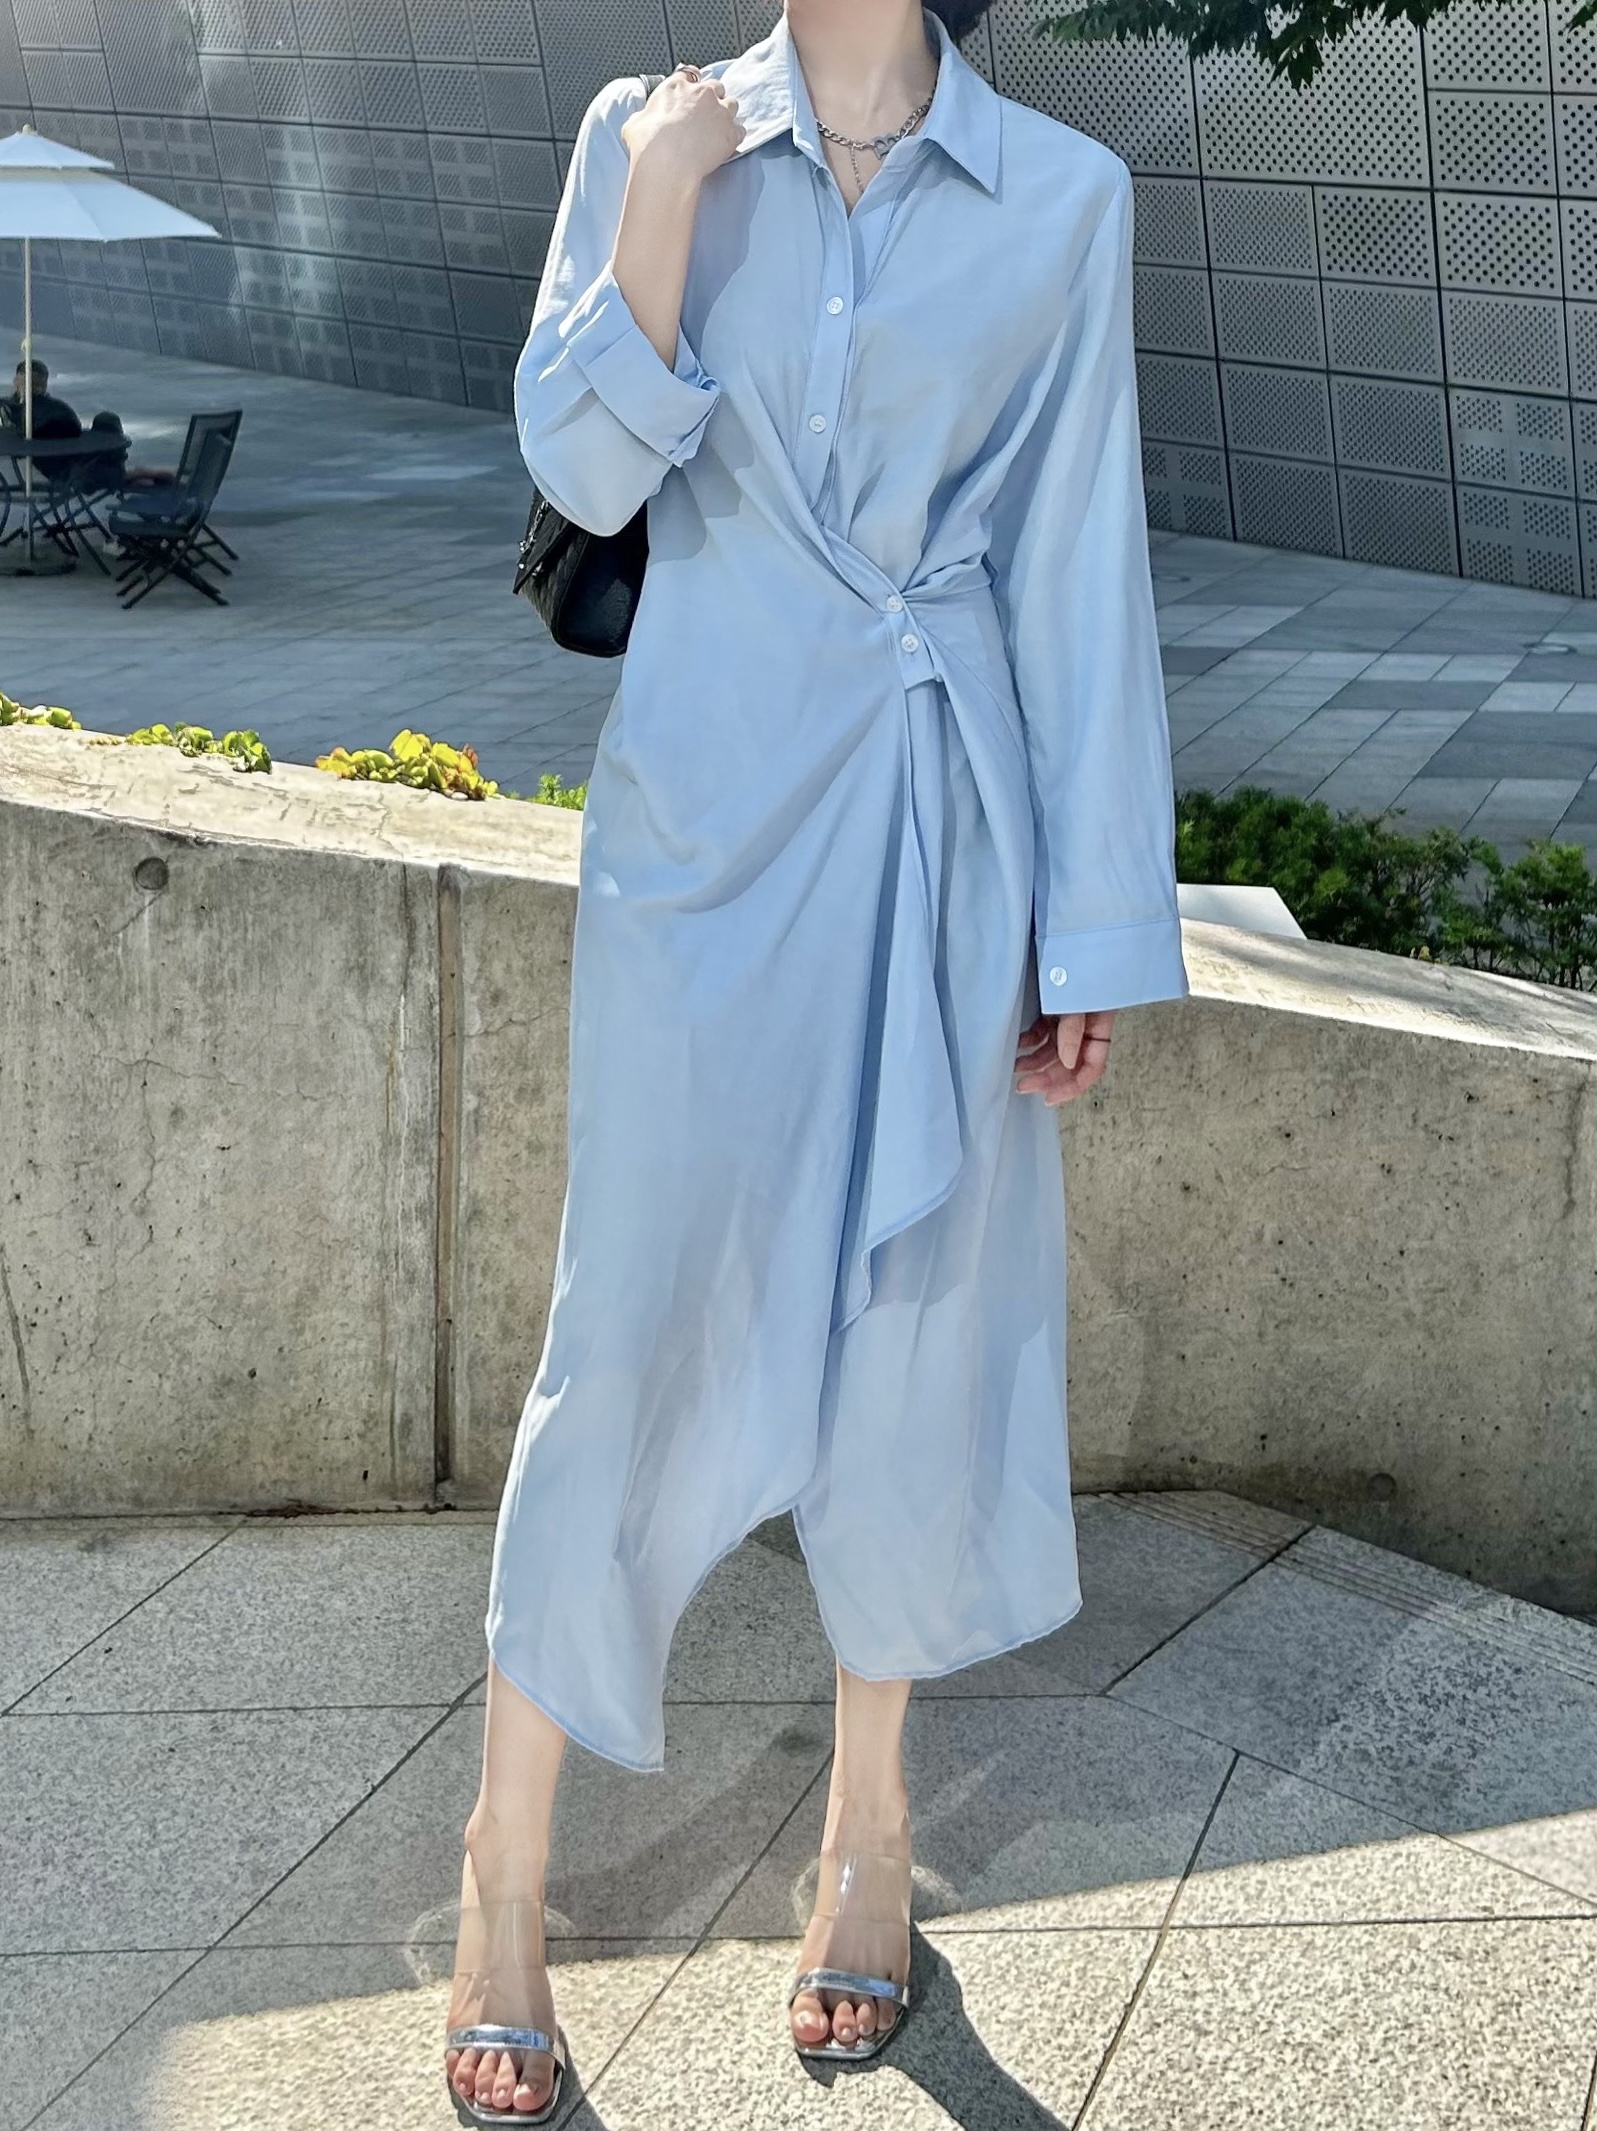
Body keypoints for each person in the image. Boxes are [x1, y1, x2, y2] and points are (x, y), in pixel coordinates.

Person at [444, 2, 1190, 2119]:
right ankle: (505, 1860)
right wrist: (663, 211)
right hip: (699, 823)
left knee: (914, 1325)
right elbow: (581, 469)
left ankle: (867, 1833)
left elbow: (1076, 560)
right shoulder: (649, 130)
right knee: (625, 1324)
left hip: (946, 818)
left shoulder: (1061, 193)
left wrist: (1088, 922)